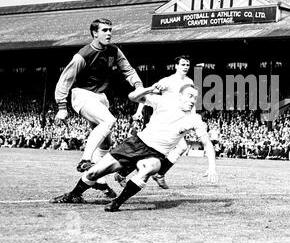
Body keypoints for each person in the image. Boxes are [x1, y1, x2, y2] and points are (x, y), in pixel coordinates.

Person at [49, 84, 218, 212]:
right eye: (189, 96)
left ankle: (117, 203)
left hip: (155, 154)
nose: (192, 101)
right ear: (180, 97)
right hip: (135, 144)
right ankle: (74, 195)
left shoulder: (195, 120)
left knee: (148, 168)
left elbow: (208, 144)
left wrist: (212, 167)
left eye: (194, 98)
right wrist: (149, 89)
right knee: (94, 173)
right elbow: (133, 96)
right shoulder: (164, 102)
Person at [54, 18, 144, 198]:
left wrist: (138, 85)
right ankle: (85, 160)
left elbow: (128, 69)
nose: (109, 33)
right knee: (109, 120)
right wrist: (62, 106)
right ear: (95, 33)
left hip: (101, 98)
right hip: (82, 95)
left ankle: (97, 180)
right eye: (104, 30)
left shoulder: (114, 51)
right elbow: (65, 79)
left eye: (110, 30)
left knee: (106, 143)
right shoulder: (83, 54)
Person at [115, 55, 193, 189]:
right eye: (183, 64)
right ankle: (152, 173)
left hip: (176, 120)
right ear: (176, 66)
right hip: (163, 121)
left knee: (179, 147)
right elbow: (148, 95)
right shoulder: (167, 81)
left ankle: (156, 173)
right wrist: (139, 111)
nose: (185, 67)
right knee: (151, 150)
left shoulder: (189, 82)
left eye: (187, 65)